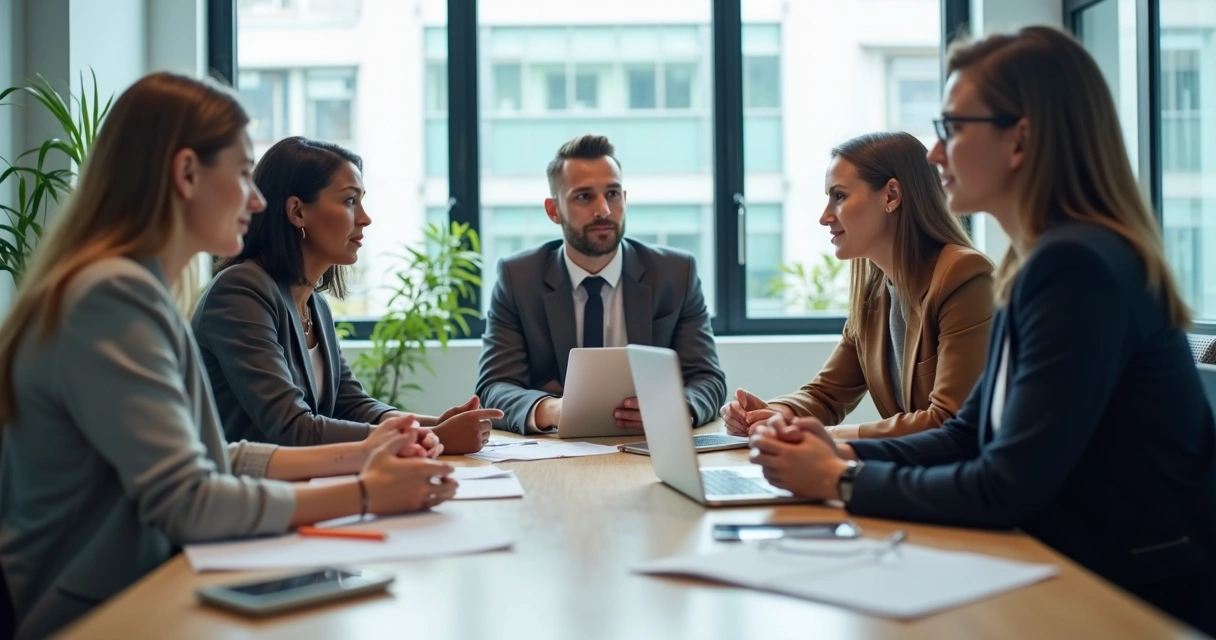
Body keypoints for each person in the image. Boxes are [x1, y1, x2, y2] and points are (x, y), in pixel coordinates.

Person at [748, 27, 1216, 635]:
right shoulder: (1040, 262)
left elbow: (1004, 486)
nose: (936, 154)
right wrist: (838, 447)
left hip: (1126, 594)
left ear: (1019, 139)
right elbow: (970, 433)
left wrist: (840, 478)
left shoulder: (1079, 269)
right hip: (1070, 564)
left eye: (953, 129)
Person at [0, 73, 457, 639]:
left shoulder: (141, 290)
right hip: (102, 611)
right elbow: (191, 501)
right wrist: (366, 492)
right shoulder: (110, 298)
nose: (258, 198)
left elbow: (222, 457)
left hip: (154, 583)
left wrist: (370, 452)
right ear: (187, 173)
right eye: (243, 174)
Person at [192, 136, 501, 453]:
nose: (365, 218)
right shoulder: (241, 291)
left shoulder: (315, 306)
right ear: (297, 212)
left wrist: (435, 426)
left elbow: (351, 405)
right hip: (253, 492)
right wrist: (434, 438)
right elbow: (292, 429)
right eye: (350, 201)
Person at [722, 132, 993, 440]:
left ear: (891, 196)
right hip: (911, 472)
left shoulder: (964, 275)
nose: (824, 217)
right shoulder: (875, 292)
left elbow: (948, 420)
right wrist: (770, 414)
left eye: (839, 196)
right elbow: (826, 395)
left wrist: (828, 436)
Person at [477, 134, 726, 434]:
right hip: (555, 450)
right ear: (553, 210)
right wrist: (553, 409)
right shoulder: (518, 278)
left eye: (612, 194)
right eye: (584, 196)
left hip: (649, 446)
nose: (604, 211)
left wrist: (674, 409)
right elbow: (494, 387)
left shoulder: (675, 274)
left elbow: (707, 379)